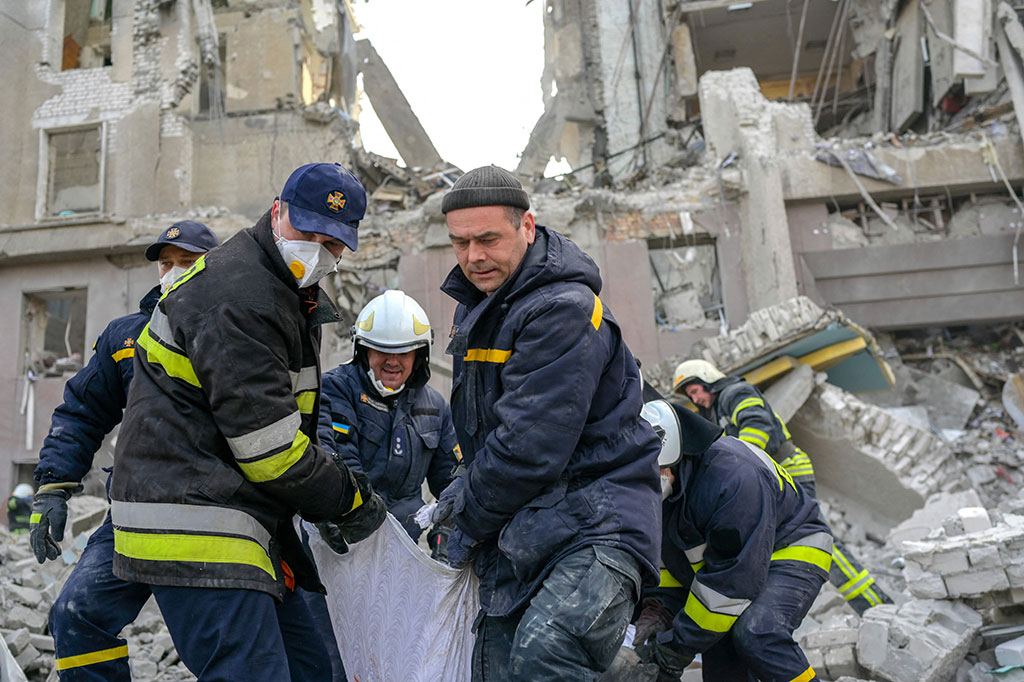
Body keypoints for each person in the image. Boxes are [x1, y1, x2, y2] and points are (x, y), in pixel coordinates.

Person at [108, 162, 387, 681]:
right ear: (277, 212)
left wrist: (317, 496)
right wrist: (348, 499)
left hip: (235, 514)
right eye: (308, 233)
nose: (319, 250)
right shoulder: (240, 294)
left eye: (333, 243)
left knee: (314, 670)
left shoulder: (280, 291)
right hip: (197, 524)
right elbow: (272, 451)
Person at [434, 166, 663, 681]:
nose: (473, 257)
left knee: (545, 655)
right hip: (525, 529)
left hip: (595, 524)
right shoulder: (487, 308)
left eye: (488, 239)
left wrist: (462, 519)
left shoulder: (563, 308)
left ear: (528, 227)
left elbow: (526, 448)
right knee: (493, 669)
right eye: (460, 243)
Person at [30, 220, 219, 680]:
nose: (172, 272)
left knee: (223, 643)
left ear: (212, 268)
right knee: (75, 615)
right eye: (165, 264)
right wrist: (53, 488)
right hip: (134, 512)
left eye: (187, 262)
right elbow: (82, 412)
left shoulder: (234, 331)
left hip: (214, 516)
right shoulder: (125, 337)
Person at [634, 398, 832, 682]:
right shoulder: (668, 492)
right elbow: (670, 563)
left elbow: (731, 582)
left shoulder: (732, 479)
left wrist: (676, 648)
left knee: (756, 631)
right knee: (721, 659)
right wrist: (659, 608)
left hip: (792, 545)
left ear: (672, 458)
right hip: (738, 561)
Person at [673, 359, 892, 615]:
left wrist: (739, 468)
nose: (695, 399)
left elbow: (756, 423)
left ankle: (876, 605)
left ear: (707, 378)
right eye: (690, 395)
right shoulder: (716, 410)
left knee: (816, 540)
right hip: (770, 481)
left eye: (696, 391)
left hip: (788, 475)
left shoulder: (735, 393)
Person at [320, 289, 460, 547]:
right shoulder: (333, 390)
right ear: (363, 351)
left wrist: (445, 538)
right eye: (382, 351)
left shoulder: (435, 407)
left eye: (404, 352)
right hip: (345, 541)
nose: (393, 362)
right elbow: (337, 463)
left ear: (420, 355)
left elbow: (452, 485)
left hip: (407, 549)